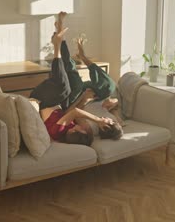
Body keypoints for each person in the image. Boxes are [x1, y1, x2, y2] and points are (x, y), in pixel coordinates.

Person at [30, 12, 115, 146]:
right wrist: (108, 103)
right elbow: (69, 112)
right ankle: (60, 33)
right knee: (103, 85)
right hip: (61, 102)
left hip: (45, 100)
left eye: (83, 131)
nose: (84, 128)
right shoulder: (68, 129)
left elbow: (74, 112)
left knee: (64, 88)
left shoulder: (58, 131)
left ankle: (57, 45)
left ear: (77, 133)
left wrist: (97, 119)